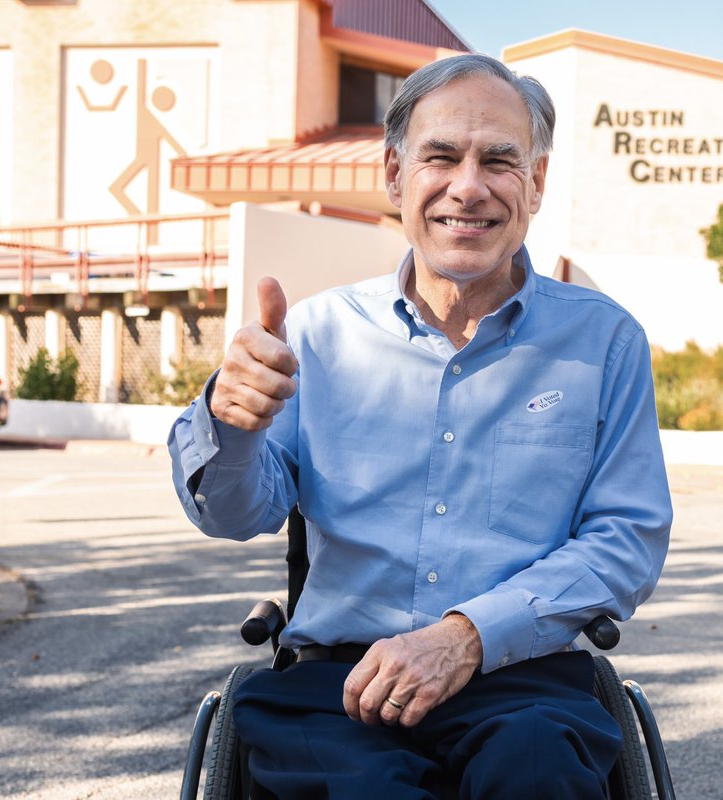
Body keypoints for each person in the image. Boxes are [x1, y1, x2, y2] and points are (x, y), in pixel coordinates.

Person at [168, 53, 672, 799]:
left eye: (499, 160)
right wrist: (230, 422)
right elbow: (235, 513)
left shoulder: (605, 344)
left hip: (522, 683)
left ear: (535, 182)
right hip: (337, 687)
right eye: (441, 156)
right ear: (396, 175)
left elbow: (625, 540)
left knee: (536, 772)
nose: (468, 187)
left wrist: (468, 636)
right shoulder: (316, 334)